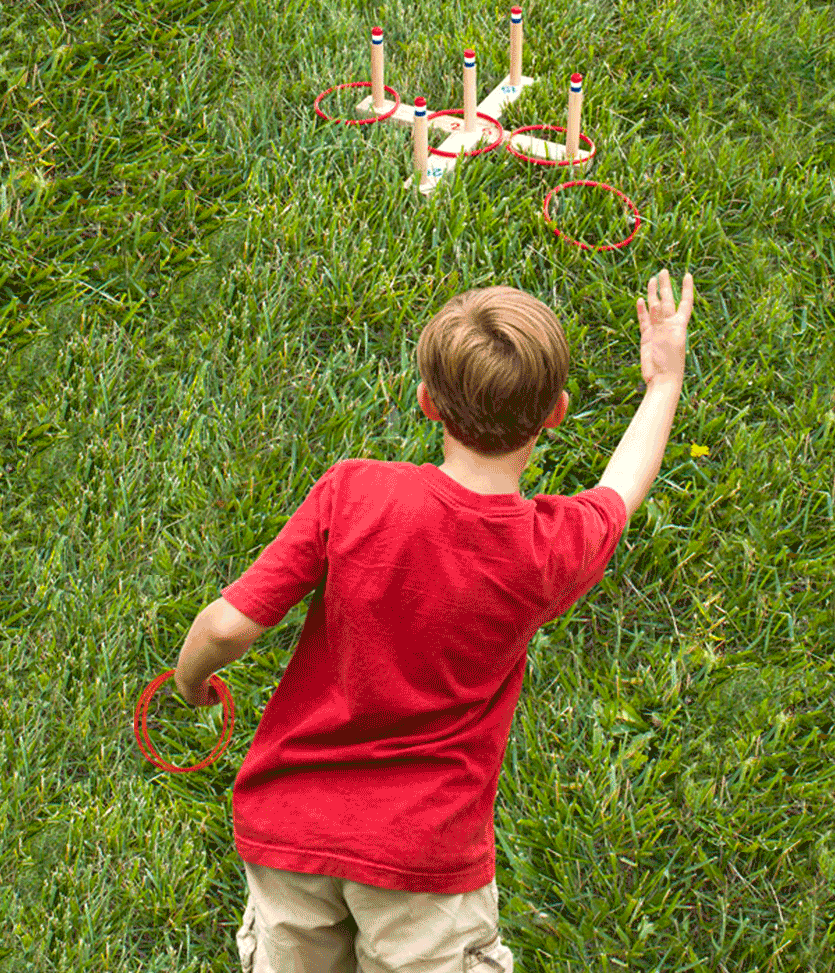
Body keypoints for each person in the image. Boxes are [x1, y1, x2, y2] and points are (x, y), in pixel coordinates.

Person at [175, 271, 695, 972]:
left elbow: (227, 629)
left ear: (426, 403)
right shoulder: (549, 550)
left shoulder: (353, 492)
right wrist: (663, 381)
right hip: (425, 857)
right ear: (557, 413)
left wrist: (193, 681)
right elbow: (620, 489)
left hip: (292, 824)